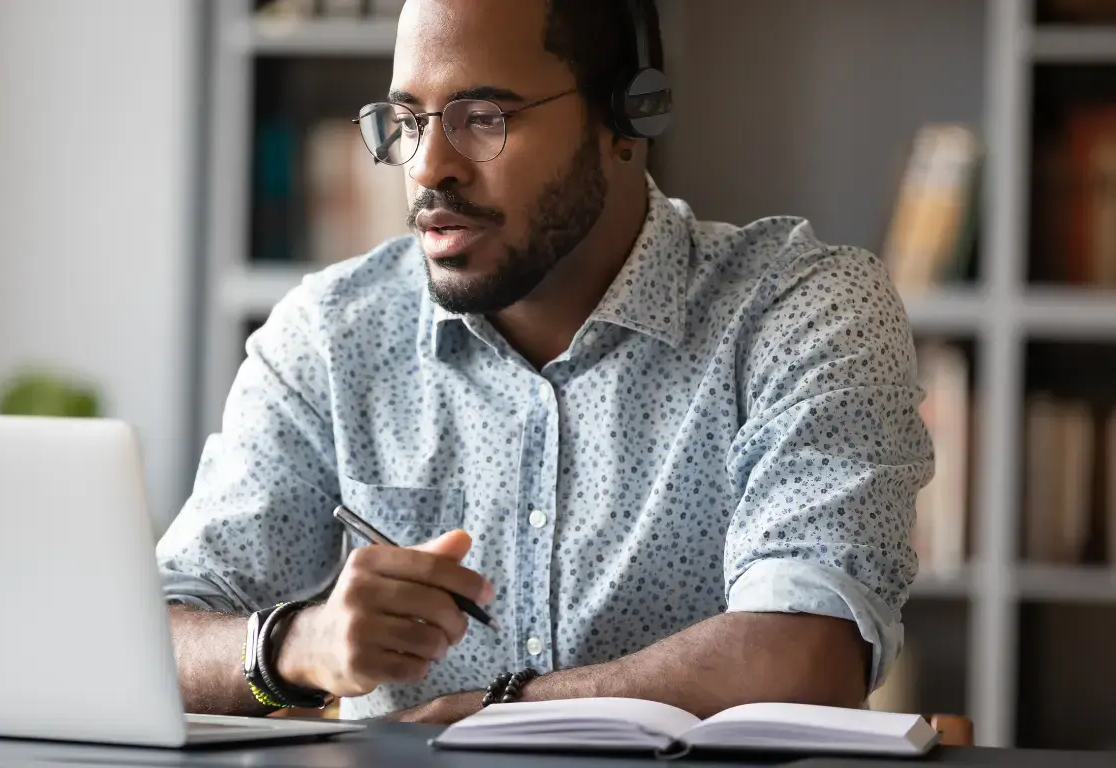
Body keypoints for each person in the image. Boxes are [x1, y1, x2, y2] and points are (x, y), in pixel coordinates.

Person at [157, 0, 933, 724]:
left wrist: (508, 713)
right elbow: (151, 636)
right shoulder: (332, 338)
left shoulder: (798, 311)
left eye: (484, 118)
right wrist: (298, 646)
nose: (429, 167)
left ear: (629, 116)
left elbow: (805, 654)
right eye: (408, 120)